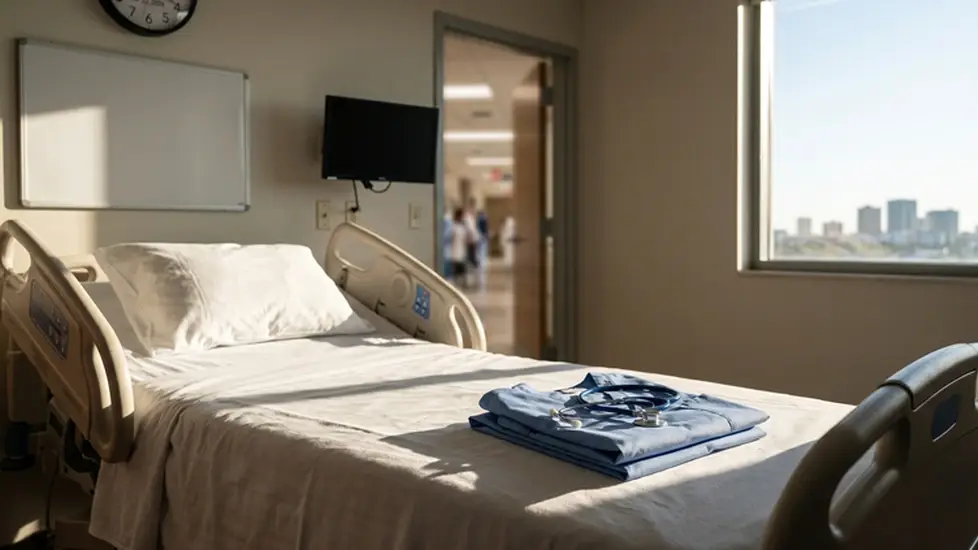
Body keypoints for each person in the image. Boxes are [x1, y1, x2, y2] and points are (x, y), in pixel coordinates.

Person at [449, 207, 470, 288]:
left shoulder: (463, 226)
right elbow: (450, 238)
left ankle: (463, 282)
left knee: (462, 267)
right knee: (456, 267)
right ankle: (456, 283)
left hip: (461, 249)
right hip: (455, 249)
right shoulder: (453, 226)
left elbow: (466, 238)